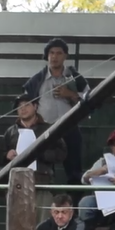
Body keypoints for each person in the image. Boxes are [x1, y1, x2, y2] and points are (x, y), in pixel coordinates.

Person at [24, 37, 91, 182]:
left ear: (65, 56)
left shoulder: (75, 77)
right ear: (47, 56)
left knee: (74, 172)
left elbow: (89, 99)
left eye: (59, 53)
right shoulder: (36, 80)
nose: (54, 57)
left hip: (70, 128)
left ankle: (74, 202)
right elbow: (27, 103)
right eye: (51, 53)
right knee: (45, 172)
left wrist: (71, 94)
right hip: (45, 130)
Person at [4, 93, 67, 181]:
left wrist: (43, 154)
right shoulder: (10, 131)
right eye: (19, 106)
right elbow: (0, 155)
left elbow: (61, 152)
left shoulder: (48, 129)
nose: (23, 108)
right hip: (16, 178)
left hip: (42, 177)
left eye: (27, 105)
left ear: (35, 106)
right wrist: (6, 155)